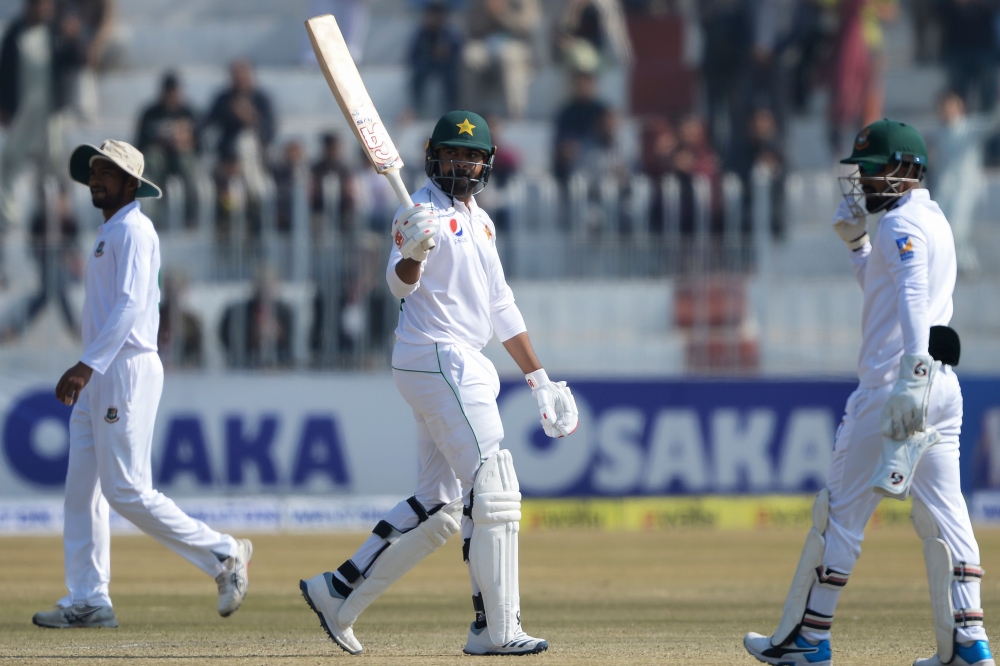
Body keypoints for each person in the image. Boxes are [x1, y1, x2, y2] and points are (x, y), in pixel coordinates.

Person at [298, 111, 578, 655]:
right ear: (433, 155)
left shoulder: (482, 221)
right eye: (453, 153)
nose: (462, 164)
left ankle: (338, 591)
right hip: (437, 355)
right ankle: (496, 628)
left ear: (486, 163)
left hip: (454, 361)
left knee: (441, 504)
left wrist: (538, 378)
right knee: (493, 484)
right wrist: (411, 255)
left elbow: (500, 305)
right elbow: (398, 286)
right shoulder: (418, 211)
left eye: (472, 156)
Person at [744, 119, 994, 666]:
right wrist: (858, 246)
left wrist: (911, 373)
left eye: (873, 170)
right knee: (947, 515)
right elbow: (886, 292)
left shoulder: (901, 222)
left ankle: (808, 639)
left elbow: (911, 294)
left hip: (893, 389)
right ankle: (969, 642)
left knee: (838, 517)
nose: (863, 181)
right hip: (940, 388)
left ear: (905, 169)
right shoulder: (933, 218)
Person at [34, 140, 251, 629]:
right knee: (82, 491)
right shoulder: (110, 230)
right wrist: (90, 366)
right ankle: (89, 599)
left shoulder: (134, 228)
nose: (96, 179)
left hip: (123, 367)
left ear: (132, 183)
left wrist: (86, 364)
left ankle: (223, 553)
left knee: (126, 490)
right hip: (102, 370)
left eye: (107, 172)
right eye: (93, 171)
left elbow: (131, 304)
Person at [0, 0, 85, 269]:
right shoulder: (15, 32)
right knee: (8, 170)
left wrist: (73, 38)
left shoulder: (55, 33)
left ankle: (61, 235)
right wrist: (4, 107)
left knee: (55, 177)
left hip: (50, 117)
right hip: (23, 115)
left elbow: (77, 60)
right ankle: (6, 225)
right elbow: (5, 70)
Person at [929, 91, 1000, 274]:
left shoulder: (970, 128)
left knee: (957, 228)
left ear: (960, 107)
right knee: (939, 227)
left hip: (966, 190)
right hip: (944, 189)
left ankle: (964, 266)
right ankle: (964, 264)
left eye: (950, 105)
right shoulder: (938, 133)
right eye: (943, 106)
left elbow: (993, 122)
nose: (946, 110)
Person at [135, 72, 199, 227]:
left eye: (174, 92)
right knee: (153, 158)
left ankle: (190, 217)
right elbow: (140, 144)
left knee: (186, 163)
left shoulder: (188, 113)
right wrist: (160, 141)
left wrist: (184, 140)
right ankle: (155, 215)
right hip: (159, 160)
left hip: (180, 158)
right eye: (168, 92)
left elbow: (199, 145)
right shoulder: (150, 113)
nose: (171, 96)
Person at [463, 0, 539, 118]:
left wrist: (502, 12)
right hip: (485, 43)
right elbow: (472, 26)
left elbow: (527, 26)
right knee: (470, 56)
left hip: (516, 43)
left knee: (509, 57)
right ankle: (471, 115)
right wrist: (488, 11)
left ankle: (516, 114)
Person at [407, 1, 463, 118]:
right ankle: (416, 108)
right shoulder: (421, 33)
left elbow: (458, 52)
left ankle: (451, 109)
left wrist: (446, 52)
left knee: (451, 78)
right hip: (426, 64)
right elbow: (412, 55)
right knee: (418, 75)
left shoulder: (448, 33)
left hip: (445, 65)